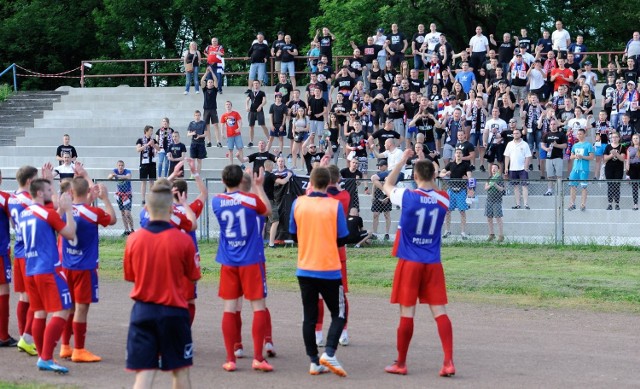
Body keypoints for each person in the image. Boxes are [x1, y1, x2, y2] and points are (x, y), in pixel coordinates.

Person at [381, 149, 455, 377]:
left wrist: (403, 160)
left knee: (407, 312)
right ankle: (448, 361)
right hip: (432, 261)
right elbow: (433, 185)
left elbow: (387, 183)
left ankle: (401, 363)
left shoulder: (407, 196)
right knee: (439, 311)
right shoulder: (444, 198)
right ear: (434, 175)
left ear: (414, 177)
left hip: (410, 261)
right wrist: (427, 159)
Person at [124, 180, 200, 389]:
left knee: (144, 374)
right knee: (180, 372)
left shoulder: (134, 239)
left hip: (143, 311)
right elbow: (193, 276)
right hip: (174, 311)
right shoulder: (184, 241)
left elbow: (131, 277)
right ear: (170, 208)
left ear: (147, 209)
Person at [289, 166, 349, 377]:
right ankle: (329, 353)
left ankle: (314, 361)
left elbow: (293, 235)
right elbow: (342, 238)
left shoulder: (298, 203)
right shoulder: (334, 206)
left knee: (309, 317)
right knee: (339, 313)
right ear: (329, 183)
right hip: (329, 268)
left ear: (311, 183)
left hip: (305, 267)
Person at [212, 165, 272, 372]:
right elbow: (267, 210)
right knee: (258, 307)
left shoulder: (216, 201)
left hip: (228, 261)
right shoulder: (251, 200)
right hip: (251, 260)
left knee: (229, 309)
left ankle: (230, 359)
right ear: (240, 181)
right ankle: (258, 358)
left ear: (223, 180)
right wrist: (258, 187)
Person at [21, 177, 77, 373]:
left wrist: (59, 211)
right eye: (48, 189)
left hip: (31, 268)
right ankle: (45, 357)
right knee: (63, 310)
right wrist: (68, 210)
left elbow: (49, 223)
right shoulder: (47, 213)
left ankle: (43, 356)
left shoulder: (26, 213)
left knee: (39, 312)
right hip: (48, 269)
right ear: (39, 193)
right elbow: (69, 233)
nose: (51, 192)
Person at [59, 178, 116, 362]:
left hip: (67, 266)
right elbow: (112, 219)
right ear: (87, 193)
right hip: (85, 267)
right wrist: (106, 199)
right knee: (82, 309)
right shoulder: (93, 212)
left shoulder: (64, 212)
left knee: (69, 307)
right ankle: (79, 350)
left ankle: (65, 346)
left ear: (71, 193)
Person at [8, 166, 39, 356]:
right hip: (29, 252)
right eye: (35, 180)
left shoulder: (12, 197)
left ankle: (23, 335)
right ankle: (26, 338)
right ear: (29, 181)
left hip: (18, 249)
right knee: (33, 298)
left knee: (23, 297)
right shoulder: (29, 201)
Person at [0, 170, 18, 347]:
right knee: (3, 291)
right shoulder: (5, 198)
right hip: (0, 251)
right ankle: (3, 335)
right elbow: (15, 223)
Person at [440, 149, 473, 239]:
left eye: (460, 153)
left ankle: (463, 232)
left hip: (461, 191)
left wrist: (468, 182)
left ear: (462, 155)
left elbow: (470, 177)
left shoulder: (466, 165)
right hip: (451, 190)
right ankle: (447, 230)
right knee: (447, 211)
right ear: (454, 154)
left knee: (462, 211)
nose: (458, 154)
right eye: (457, 153)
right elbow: (441, 174)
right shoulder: (450, 164)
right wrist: (446, 173)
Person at [503, 128, 532, 209]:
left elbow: (528, 156)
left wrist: (526, 167)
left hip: (522, 169)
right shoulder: (509, 144)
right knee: (515, 187)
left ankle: (526, 204)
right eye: (514, 133)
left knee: (524, 186)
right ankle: (518, 204)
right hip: (512, 168)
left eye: (517, 133)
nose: (515, 135)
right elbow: (507, 156)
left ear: (520, 134)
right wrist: (506, 167)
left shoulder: (525, 144)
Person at [567, 128, 594, 211]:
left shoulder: (588, 145)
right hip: (575, 169)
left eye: (580, 134)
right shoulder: (575, 145)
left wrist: (582, 157)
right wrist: (575, 156)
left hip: (584, 169)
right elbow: (571, 156)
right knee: (572, 186)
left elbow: (591, 157)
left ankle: (583, 204)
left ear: (584, 134)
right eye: (578, 134)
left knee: (584, 187)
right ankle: (572, 203)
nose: (579, 135)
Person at [541, 121, 567, 195]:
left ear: (557, 125)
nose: (552, 126)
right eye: (551, 124)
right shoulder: (546, 134)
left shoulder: (561, 134)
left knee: (559, 175)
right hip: (549, 157)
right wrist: (546, 149)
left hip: (558, 157)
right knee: (549, 175)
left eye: (554, 124)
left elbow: (565, 145)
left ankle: (559, 190)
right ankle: (549, 190)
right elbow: (542, 145)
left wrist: (556, 145)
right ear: (549, 126)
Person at [108, 160, 134, 235]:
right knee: (122, 213)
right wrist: (112, 175)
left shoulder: (127, 171)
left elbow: (128, 177)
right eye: (119, 165)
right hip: (119, 194)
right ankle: (126, 230)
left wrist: (117, 176)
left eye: (122, 165)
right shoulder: (115, 171)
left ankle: (132, 229)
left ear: (124, 166)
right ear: (117, 166)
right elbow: (109, 177)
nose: (120, 167)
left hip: (127, 194)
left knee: (127, 213)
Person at [603, 133, 626, 210]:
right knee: (610, 185)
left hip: (618, 168)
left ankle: (617, 203)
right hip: (609, 168)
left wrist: (616, 154)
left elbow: (622, 159)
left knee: (617, 185)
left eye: (616, 137)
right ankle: (609, 203)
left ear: (619, 138)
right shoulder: (608, 146)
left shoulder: (622, 147)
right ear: (611, 138)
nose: (614, 138)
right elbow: (605, 158)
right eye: (613, 137)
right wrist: (611, 155)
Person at [136, 125, 157, 205]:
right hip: (144, 163)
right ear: (146, 131)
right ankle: (143, 199)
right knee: (143, 182)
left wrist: (153, 145)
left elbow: (158, 149)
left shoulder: (153, 140)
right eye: (151, 130)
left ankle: (152, 199)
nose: (152, 132)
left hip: (152, 163)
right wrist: (147, 145)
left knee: (152, 182)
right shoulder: (140, 140)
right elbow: (138, 149)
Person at [371, 160, 392, 240]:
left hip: (387, 194)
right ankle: (374, 233)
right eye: (379, 166)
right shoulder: (377, 174)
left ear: (385, 166)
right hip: (378, 195)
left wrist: (387, 196)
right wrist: (372, 196)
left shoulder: (389, 174)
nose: (379, 167)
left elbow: (392, 185)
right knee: (375, 215)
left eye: (381, 165)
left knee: (387, 214)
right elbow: (374, 185)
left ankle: (387, 233)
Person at [484, 163, 505, 242]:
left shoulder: (500, 178)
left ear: (498, 169)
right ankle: (491, 234)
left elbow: (501, 189)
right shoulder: (489, 178)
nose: (493, 169)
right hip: (489, 199)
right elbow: (485, 188)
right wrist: (490, 185)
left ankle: (501, 235)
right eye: (492, 168)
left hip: (497, 200)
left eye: (495, 168)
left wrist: (495, 184)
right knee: (489, 218)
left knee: (498, 218)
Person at [220, 101, 244, 166]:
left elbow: (240, 121)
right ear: (225, 106)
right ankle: (231, 164)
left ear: (231, 105)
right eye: (226, 104)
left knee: (240, 148)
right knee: (230, 150)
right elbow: (222, 125)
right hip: (229, 135)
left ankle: (241, 163)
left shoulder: (235, 113)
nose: (228, 106)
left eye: (229, 104)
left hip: (237, 134)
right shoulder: (224, 115)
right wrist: (222, 133)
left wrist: (239, 128)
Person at [246, 80, 269, 147]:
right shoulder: (251, 93)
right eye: (254, 84)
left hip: (259, 111)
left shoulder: (262, 93)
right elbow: (247, 100)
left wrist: (260, 106)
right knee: (251, 126)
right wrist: (247, 107)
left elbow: (264, 101)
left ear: (259, 85)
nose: (256, 85)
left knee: (262, 125)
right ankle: (251, 141)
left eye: (257, 83)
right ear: (253, 85)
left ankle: (269, 138)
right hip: (252, 111)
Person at [187, 110, 208, 175]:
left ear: (200, 116)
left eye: (198, 115)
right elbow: (188, 134)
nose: (197, 117)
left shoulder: (203, 123)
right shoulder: (191, 123)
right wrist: (192, 133)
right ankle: (192, 174)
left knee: (199, 160)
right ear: (194, 116)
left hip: (201, 143)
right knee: (192, 160)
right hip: (193, 143)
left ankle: (197, 174)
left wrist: (200, 136)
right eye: (196, 115)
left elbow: (206, 134)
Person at [203, 78, 222, 147]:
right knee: (207, 126)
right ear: (207, 83)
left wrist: (211, 71)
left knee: (215, 125)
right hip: (206, 109)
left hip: (213, 109)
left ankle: (218, 142)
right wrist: (206, 72)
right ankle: (209, 142)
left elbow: (216, 80)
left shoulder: (214, 90)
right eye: (209, 82)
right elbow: (202, 81)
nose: (210, 83)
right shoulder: (204, 89)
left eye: (211, 82)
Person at [626, 134, 640, 210]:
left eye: (637, 138)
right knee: (634, 187)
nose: (635, 139)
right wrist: (627, 172)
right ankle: (635, 204)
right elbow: (628, 160)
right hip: (633, 168)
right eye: (634, 138)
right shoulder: (629, 148)